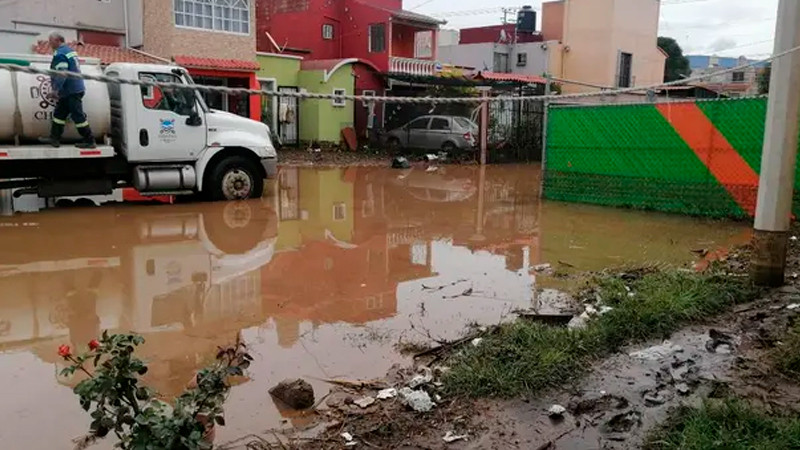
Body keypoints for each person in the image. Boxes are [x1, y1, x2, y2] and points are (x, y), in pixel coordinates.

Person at [38, 32, 96, 149]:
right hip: (72, 89)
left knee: (78, 116)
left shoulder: (60, 54)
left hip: (71, 91)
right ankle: (54, 138)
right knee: (59, 114)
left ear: (58, 40)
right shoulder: (69, 51)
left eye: (51, 41)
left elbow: (62, 73)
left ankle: (90, 140)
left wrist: (55, 90)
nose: (49, 43)